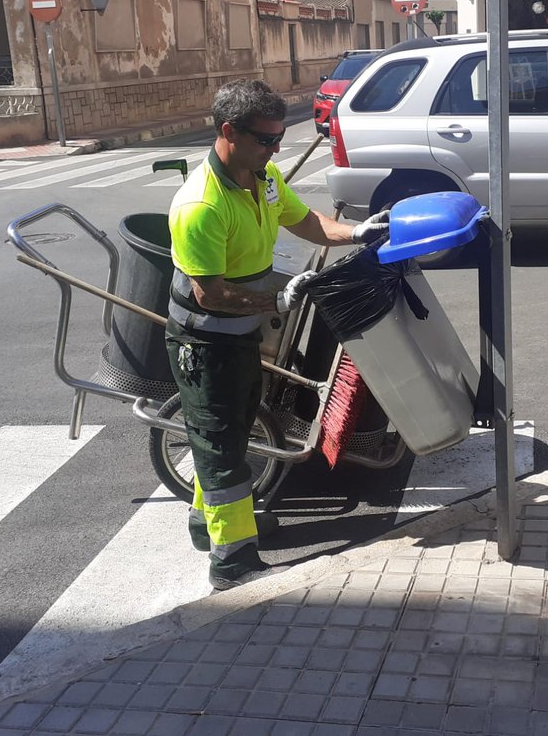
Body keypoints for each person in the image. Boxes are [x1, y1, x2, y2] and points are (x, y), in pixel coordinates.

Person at [166, 79, 389, 591]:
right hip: (204, 344)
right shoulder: (201, 205)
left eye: (279, 139)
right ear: (229, 132)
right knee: (220, 446)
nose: (275, 150)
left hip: (240, 335)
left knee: (234, 432)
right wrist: (276, 302)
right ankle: (231, 560)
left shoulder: (260, 177)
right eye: (265, 140)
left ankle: (207, 524)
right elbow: (209, 295)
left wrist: (357, 232)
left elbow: (303, 220)